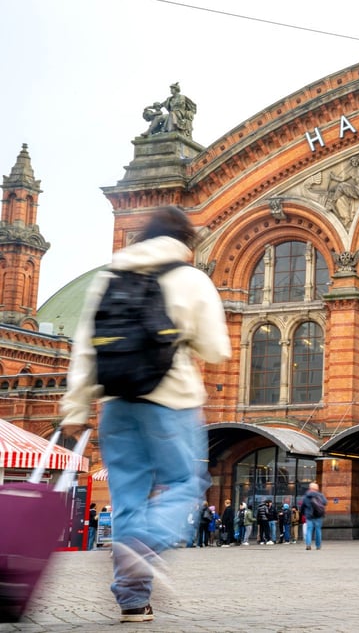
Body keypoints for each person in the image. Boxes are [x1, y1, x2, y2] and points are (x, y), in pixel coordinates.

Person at [59, 205, 230, 622]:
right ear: (185, 241)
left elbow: (85, 350)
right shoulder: (191, 279)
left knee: (127, 501)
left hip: (115, 404)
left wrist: (75, 409)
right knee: (186, 482)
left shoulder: (109, 277)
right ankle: (145, 544)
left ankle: (133, 600)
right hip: (171, 401)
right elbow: (216, 349)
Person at [300, 482, 327, 551]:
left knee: (309, 530)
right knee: (318, 530)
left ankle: (308, 545)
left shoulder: (306, 496)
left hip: (309, 515)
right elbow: (325, 502)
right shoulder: (320, 495)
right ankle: (318, 546)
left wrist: (303, 513)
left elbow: (302, 506)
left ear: (310, 488)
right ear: (317, 488)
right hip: (318, 515)